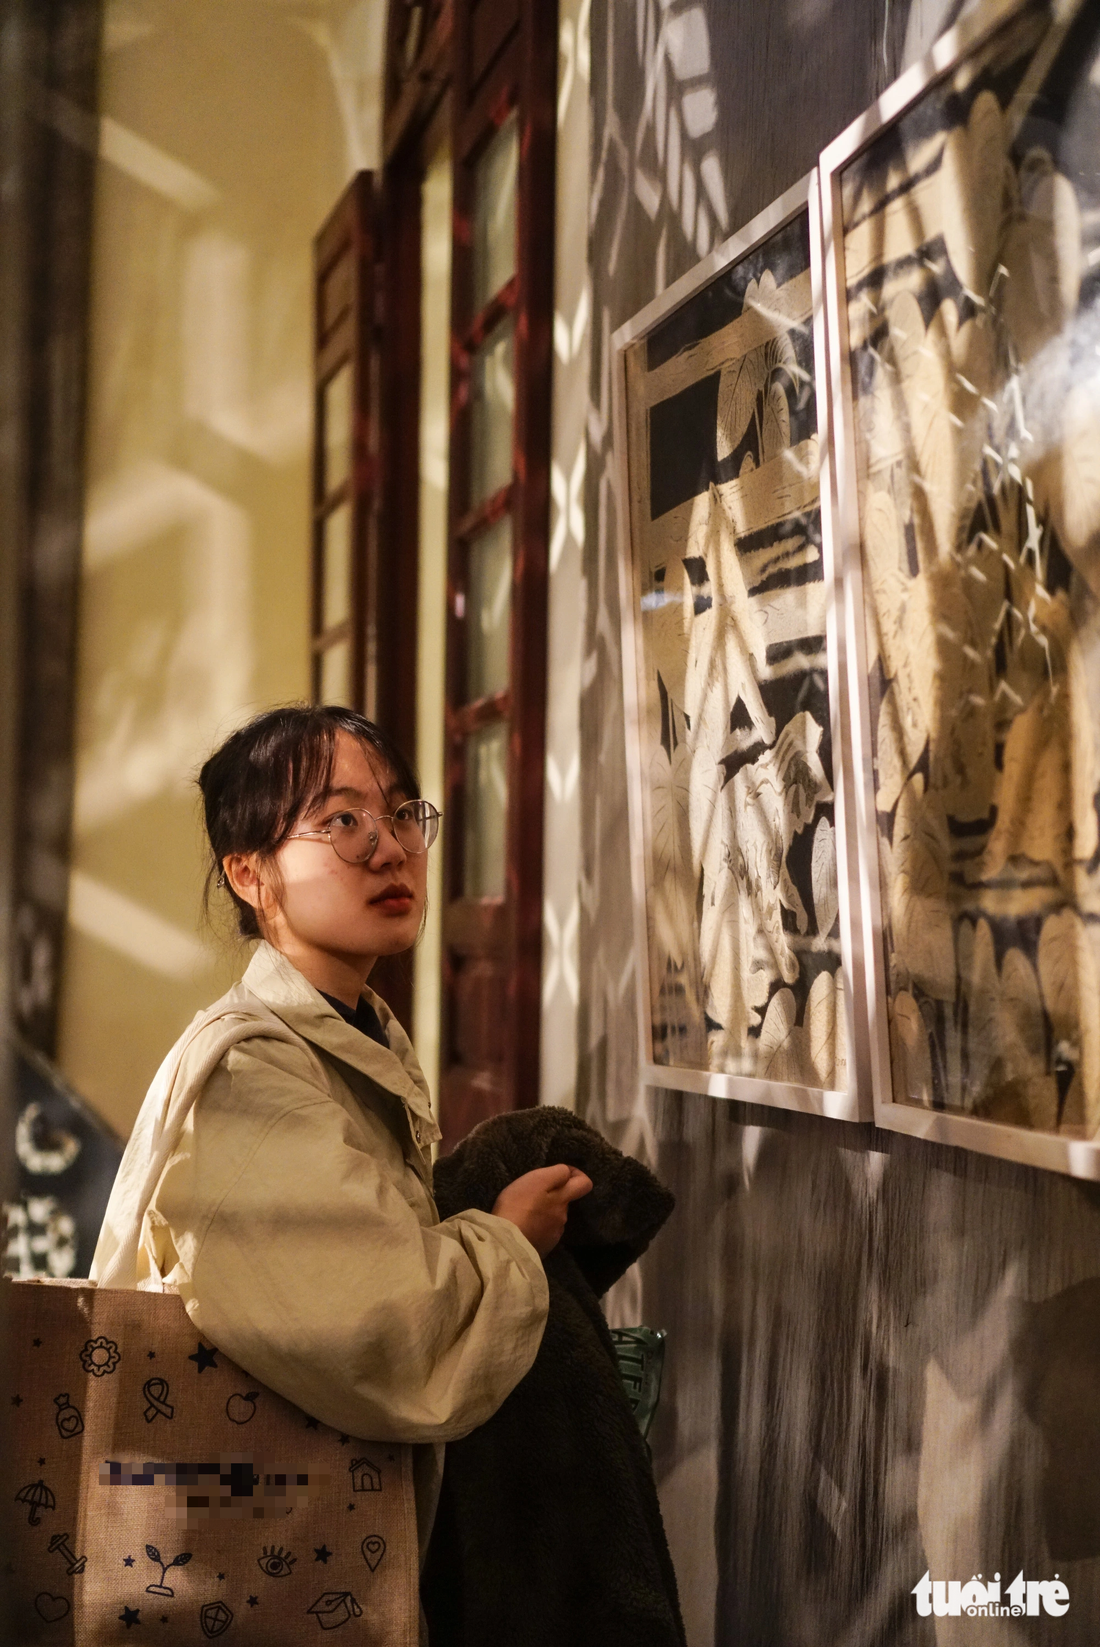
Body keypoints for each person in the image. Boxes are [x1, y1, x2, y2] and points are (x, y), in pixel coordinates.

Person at [91, 703, 592, 1573]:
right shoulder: (251, 1084)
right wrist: (509, 1236)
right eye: (341, 821)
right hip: (247, 1578)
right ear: (250, 874)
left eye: (400, 812)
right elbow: (391, 1331)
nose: (391, 847)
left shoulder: (350, 1033)